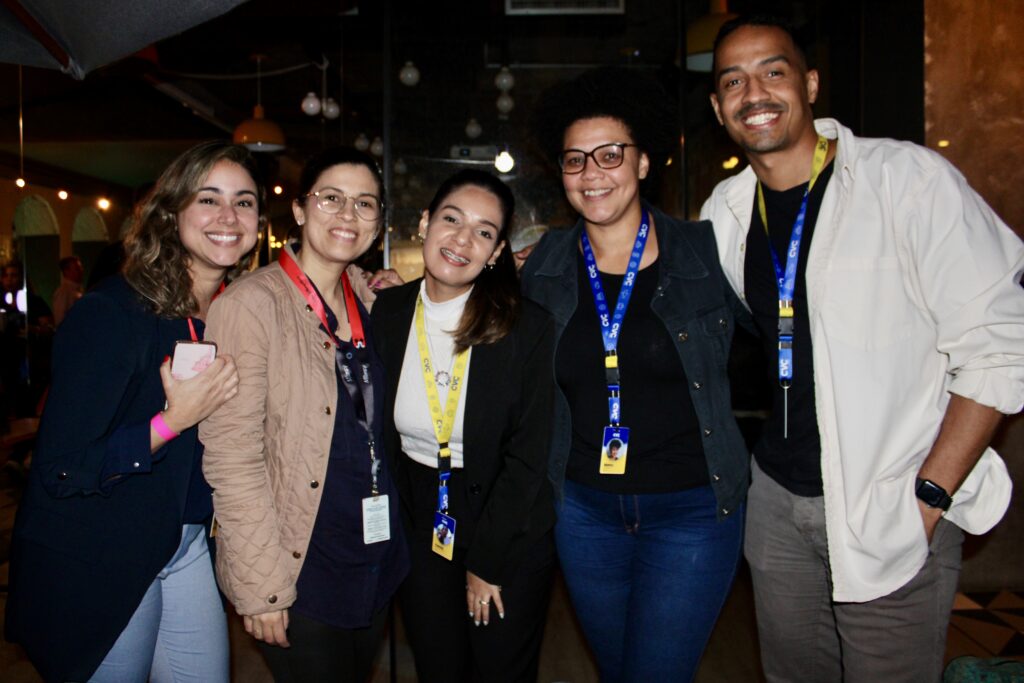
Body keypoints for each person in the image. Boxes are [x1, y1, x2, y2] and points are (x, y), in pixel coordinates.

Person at [701, 16, 1024, 683]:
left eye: (773, 70)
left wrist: (930, 494)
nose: (752, 91)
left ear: (811, 82)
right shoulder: (727, 211)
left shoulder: (905, 181)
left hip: (890, 502)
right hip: (777, 508)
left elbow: (1002, 340)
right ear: (717, 106)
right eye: (732, 80)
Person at [522, 67, 750, 682]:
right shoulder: (541, 265)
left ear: (643, 163)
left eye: (610, 154)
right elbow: (468, 311)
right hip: (584, 513)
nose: (592, 172)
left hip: (693, 510)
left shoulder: (706, 253)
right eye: (575, 160)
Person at [5, 140, 263, 682]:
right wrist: (172, 421)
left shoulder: (226, 314)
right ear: (172, 214)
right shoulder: (112, 313)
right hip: (104, 550)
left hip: (183, 541)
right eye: (208, 199)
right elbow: (62, 467)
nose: (227, 216)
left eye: (244, 202)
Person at [201, 147, 408, 683]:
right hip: (300, 564)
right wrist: (260, 585)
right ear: (299, 209)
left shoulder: (371, 298)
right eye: (331, 198)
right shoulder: (251, 304)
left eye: (365, 204)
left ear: (379, 220)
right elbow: (231, 455)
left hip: (372, 552)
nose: (348, 215)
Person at [372, 169, 556, 683]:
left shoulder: (526, 327)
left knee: (499, 668)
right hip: (421, 514)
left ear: (496, 251)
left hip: (505, 515)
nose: (462, 239)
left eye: (483, 231)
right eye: (451, 219)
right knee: (439, 666)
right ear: (426, 223)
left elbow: (528, 456)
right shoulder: (384, 312)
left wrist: (488, 563)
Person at [52, 255, 85, 325]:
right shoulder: (63, 292)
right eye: (77, 269)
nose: (81, 270)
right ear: (66, 271)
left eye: (81, 268)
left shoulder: (78, 290)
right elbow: (60, 319)